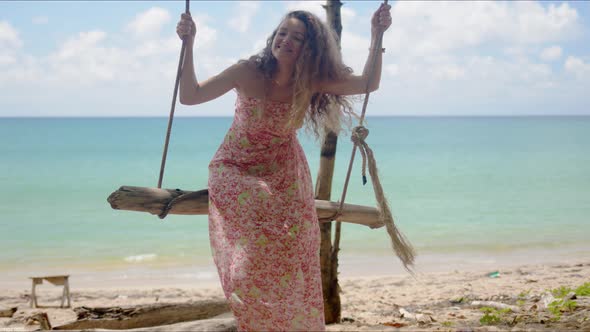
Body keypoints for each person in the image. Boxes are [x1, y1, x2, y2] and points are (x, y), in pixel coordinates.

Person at [177, 3, 391, 331]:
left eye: (298, 37)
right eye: (282, 33)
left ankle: (291, 318)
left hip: (283, 166)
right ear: (273, 37)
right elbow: (190, 96)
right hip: (234, 165)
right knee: (257, 202)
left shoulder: (311, 80)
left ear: (310, 48)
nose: (286, 40)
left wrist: (377, 35)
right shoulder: (246, 71)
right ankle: (255, 302)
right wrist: (189, 44)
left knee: (301, 237)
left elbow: (367, 83)